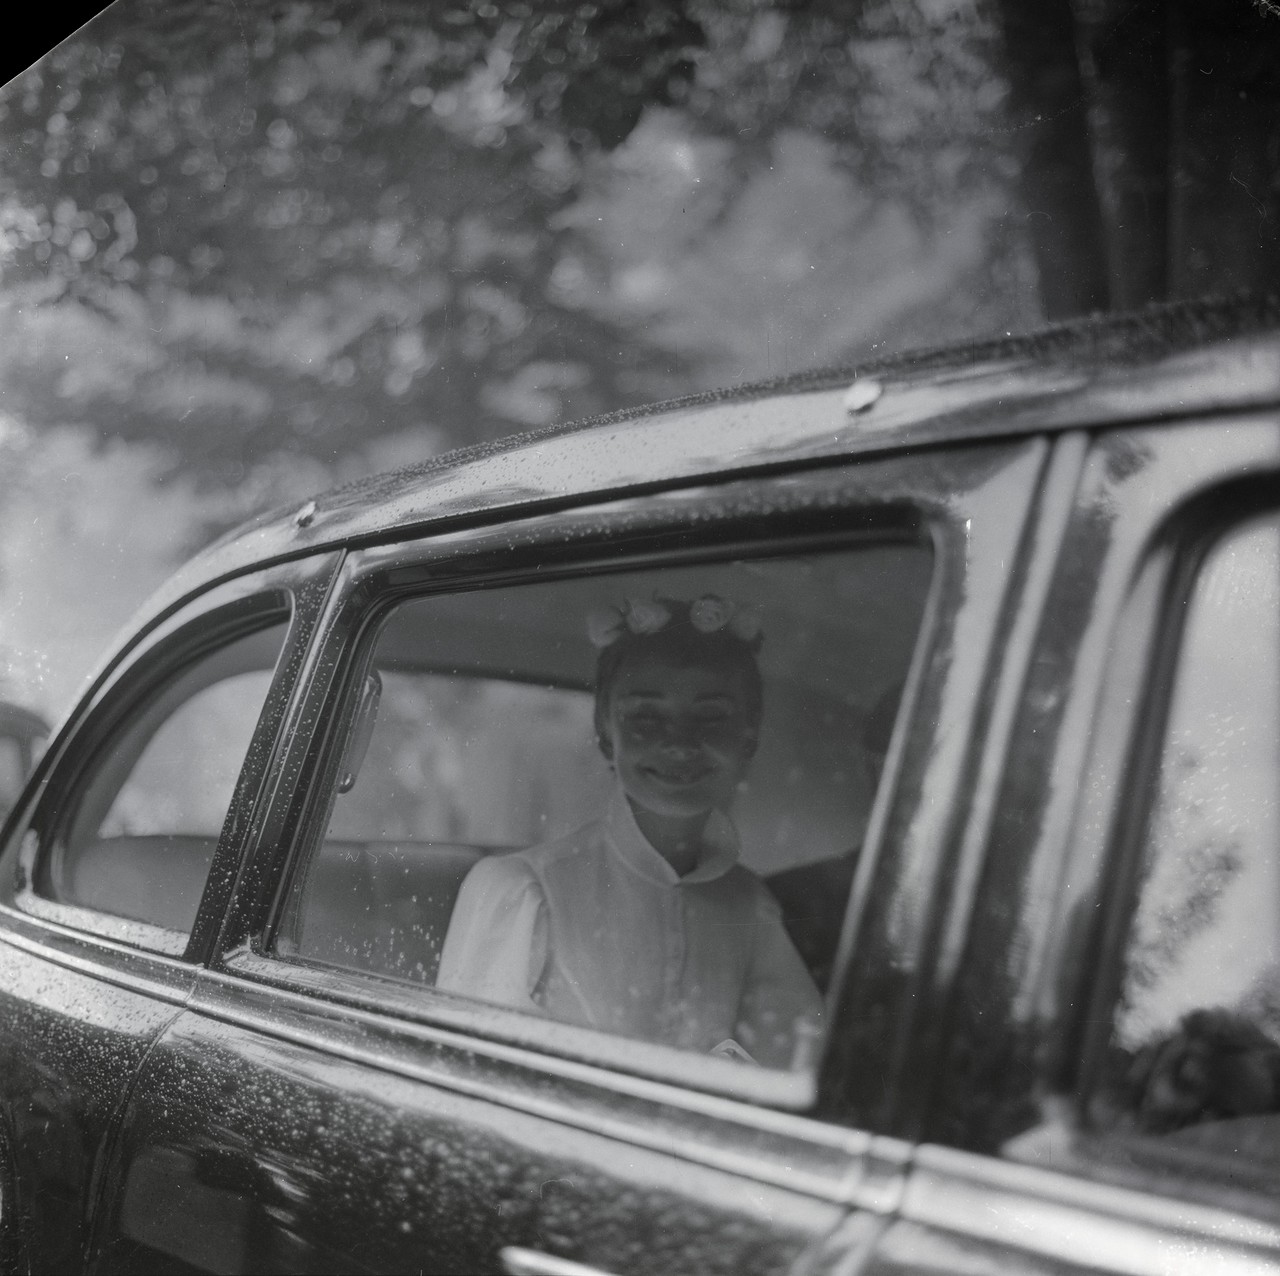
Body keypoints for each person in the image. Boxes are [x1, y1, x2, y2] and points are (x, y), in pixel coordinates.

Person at [436, 594, 824, 1068]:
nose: (679, 743)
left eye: (711, 715)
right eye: (645, 716)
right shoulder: (523, 891)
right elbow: (470, 1085)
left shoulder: (748, 905)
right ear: (605, 731)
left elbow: (793, 1065)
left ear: (750, 734)